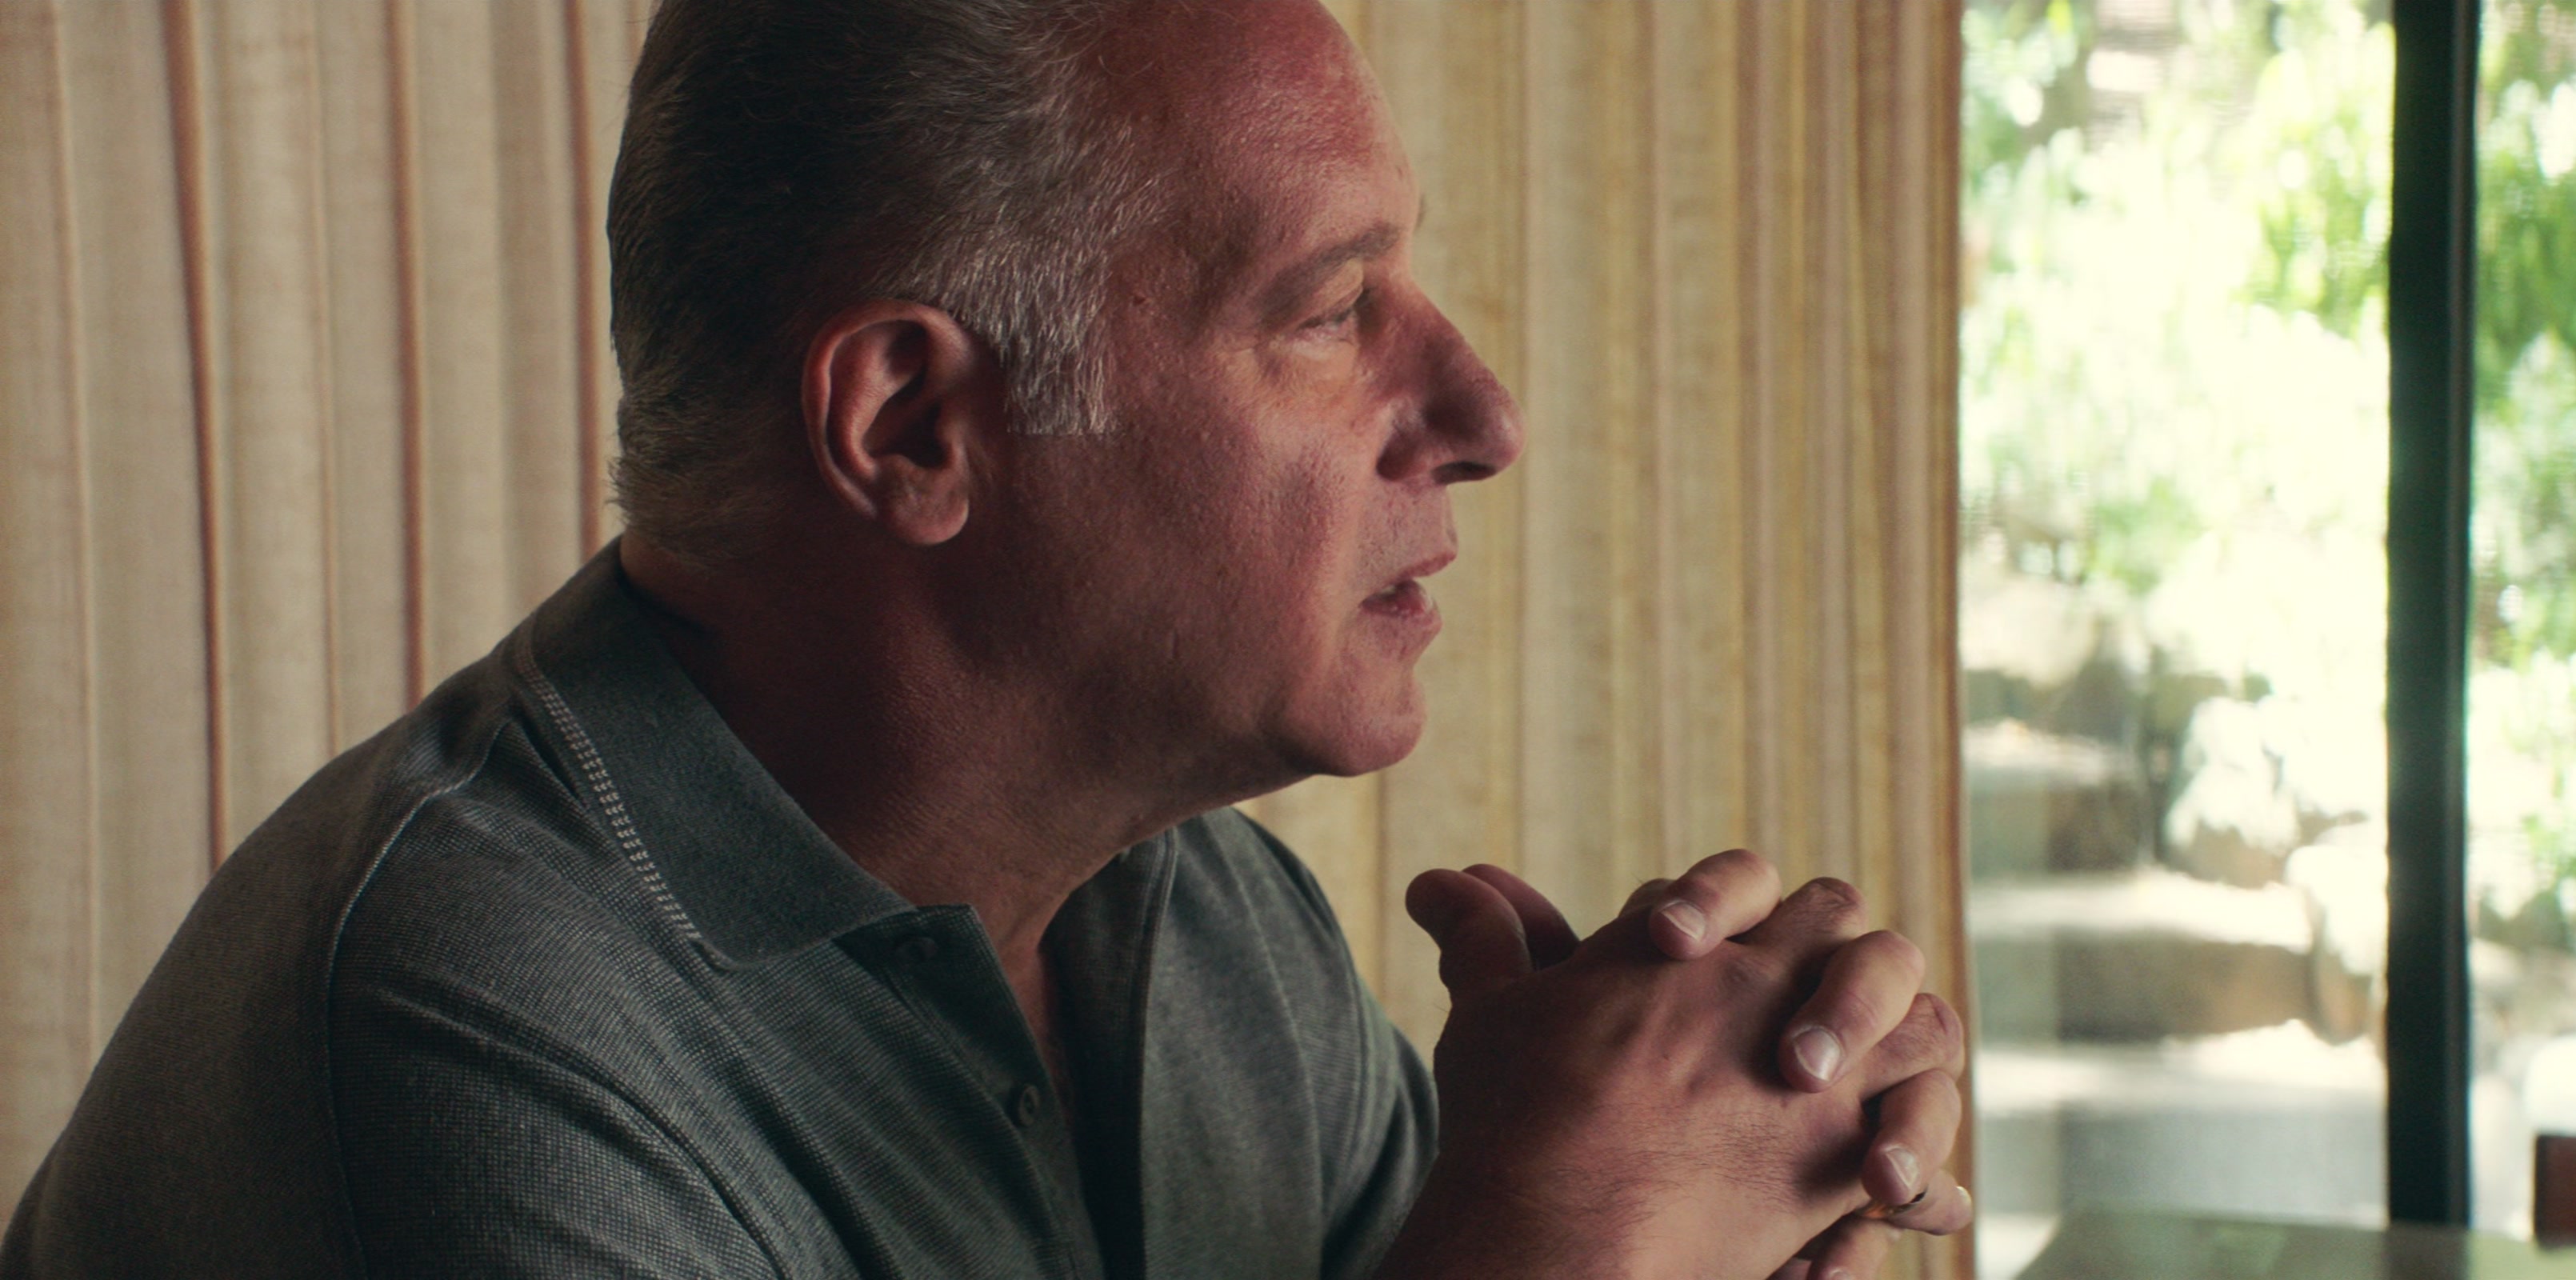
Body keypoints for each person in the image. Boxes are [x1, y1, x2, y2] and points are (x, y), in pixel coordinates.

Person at [0, 2, 1970, 1277]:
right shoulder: (462, 1045)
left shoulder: (1204, 919)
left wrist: (1684, 1197)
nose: (1479, 412)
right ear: (912, 426)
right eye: (1329, 308)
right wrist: (1552, 1244)